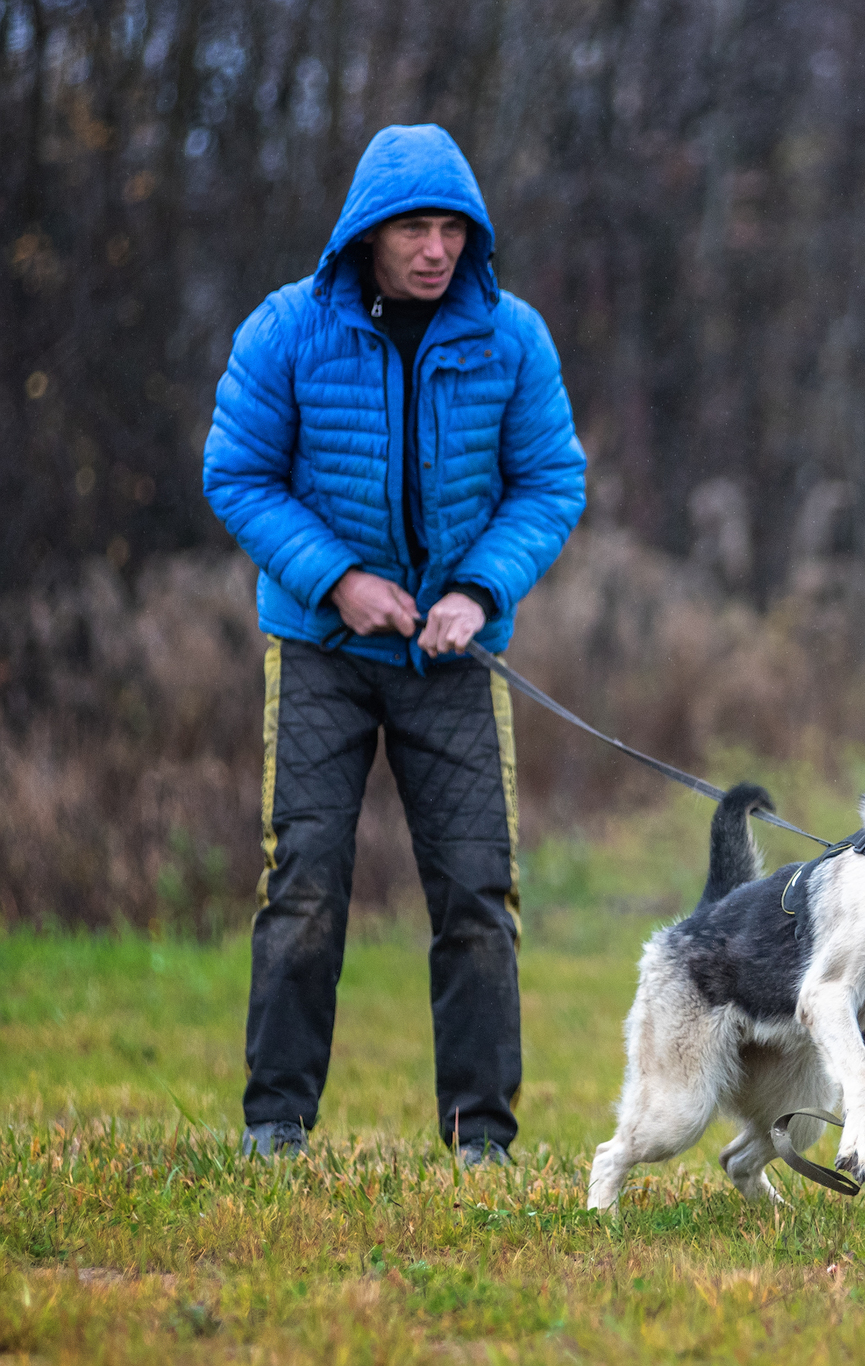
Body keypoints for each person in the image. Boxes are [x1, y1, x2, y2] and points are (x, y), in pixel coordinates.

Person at [202, 124, 586, 1164]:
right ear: (367, 234)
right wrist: (340, 580)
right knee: (306, 886)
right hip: (319, 652)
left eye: (453, 226)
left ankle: (481, 1139)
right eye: (413, 227)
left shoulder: (513, 338)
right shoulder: (285, 331)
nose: (435, 248)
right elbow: (236, 473)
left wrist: (476, 588)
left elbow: (551, 483)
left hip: (454, 662)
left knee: (476, 893)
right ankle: (275, 1127)